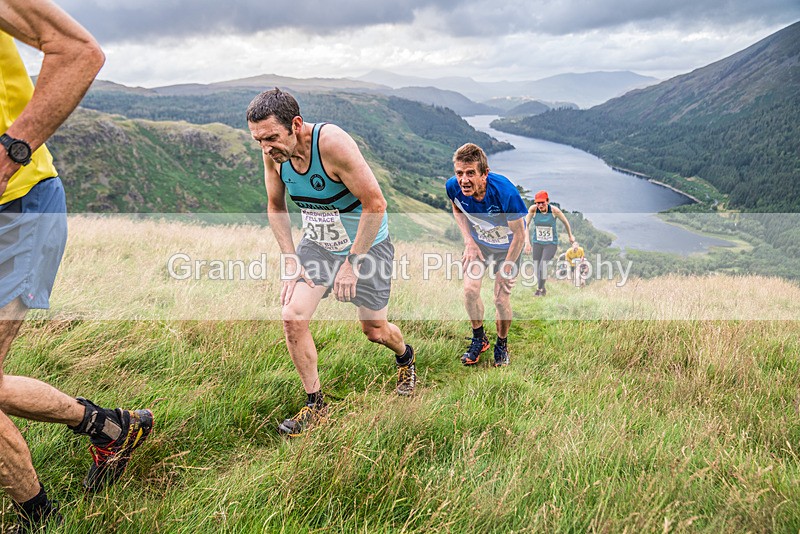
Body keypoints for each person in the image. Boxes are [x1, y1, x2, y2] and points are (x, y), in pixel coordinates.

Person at [0, 1, 153, 529]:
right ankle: (111, 428)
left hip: (18, 205)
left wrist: (11, 150)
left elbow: (80, 51)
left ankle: (39, 518)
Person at [246, 88, 416, 437]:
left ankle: (405, 357)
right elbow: (276, 206)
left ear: (296, 124)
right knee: (293, 316)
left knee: (374, 330)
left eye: (272, 138)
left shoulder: (332, 144)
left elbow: (376, 204)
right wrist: (290, 260)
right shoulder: (274, 155)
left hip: (367, 245)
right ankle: (316, 406)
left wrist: (353, 263)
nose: (266, 148)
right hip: (319, 246)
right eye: (258, 140)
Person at [445, 143, 527, 367]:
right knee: (470, 290)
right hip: (480, 246)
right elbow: (456, 207)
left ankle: (502, 344)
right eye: (460, 173)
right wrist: (469, 241)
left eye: (471, 173)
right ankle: (479, 339)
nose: (464, 180)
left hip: (508, 249)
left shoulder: (505, 192)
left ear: (484, 174)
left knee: (500, 298)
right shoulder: (453, 187)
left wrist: (508, 267)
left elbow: (520, 235)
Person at [524, 190, 575, 296]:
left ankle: (539, 290)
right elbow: (526, 225)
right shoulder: (533, 210)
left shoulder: (554, 211)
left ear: (547, 201)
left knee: (543, 265)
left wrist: (570, 235)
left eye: (542, 202)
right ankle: (543, 289)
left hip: (551, 243)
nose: (540, 205)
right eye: (538, 203)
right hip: (537, 242)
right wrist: (527, 242)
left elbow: (565, 222)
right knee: (537, 268)